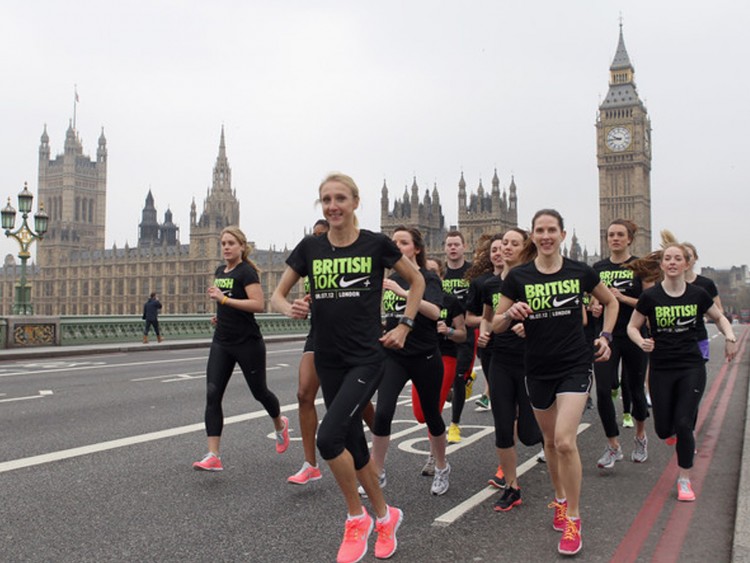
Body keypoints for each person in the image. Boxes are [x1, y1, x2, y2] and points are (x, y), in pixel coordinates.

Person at [271, 173, 424, 563]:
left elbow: (417, 280)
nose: (332, 206)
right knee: (354, 445)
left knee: (329, 439)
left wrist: (405, 325)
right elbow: (276, 295)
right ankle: (387, 516)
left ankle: (357, 518)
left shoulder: (376, 244)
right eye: (325, 199)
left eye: (340, 198)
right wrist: (292, 308)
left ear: (355, 202)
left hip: (366, 357)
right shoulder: (310, 247)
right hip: (328, 356)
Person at [493, 209, 618, 556]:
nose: (546, 236)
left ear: (563, 235)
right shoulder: (518, 277)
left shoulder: (580, 271)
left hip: (575, 364)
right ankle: (560, 500)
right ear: (533, 236)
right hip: (536, 368)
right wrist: (510, 314)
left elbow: (610, 302)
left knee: (565, 441)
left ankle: (574, 519)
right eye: (540, 230)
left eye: (552, 230)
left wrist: (606, 336)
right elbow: (496, 326)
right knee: (548, 442)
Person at [627, 243, 737, 502]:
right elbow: (633, 326)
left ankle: (684, 479)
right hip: (661, 367)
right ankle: (674, 434)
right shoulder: (650, 297)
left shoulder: (698, 294)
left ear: (686, 264)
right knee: (664, 429)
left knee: (685, 423)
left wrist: (730, 336)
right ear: (662, 265)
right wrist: (640, 341)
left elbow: (719, 317)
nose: (673, 262)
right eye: (668, 259)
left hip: (691, 366)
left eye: (678, 259)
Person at [192, 226, 289, 472]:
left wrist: (224, 301)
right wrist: (221, 315)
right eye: (223, 243)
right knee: (213, 394)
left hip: (247, 342)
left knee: (260, 393)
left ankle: (279, 423)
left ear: (242, 247)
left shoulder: (247, 272)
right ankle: (213, 454)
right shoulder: (219, 270)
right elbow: (229, 304)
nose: (225, 247)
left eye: (231, 243)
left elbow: (258, 304)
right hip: (222, 341)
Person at [371, 226, 450, 496]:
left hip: (424, 354)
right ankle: (376, 472)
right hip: (394, 355)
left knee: (431, 415)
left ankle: (441, 466)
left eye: (403, 242)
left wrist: (406, 294)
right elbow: (386, 316)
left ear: (416, 248)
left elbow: (435, 312)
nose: (396, 246)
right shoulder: (391, 277)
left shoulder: (428, 278)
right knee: (382, 413)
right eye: (393, 242)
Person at [481, 229, 542, 511]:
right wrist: (500, 322)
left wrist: (530, 327)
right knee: (503, 427)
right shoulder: (492, 285)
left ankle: (550, 443)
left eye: (513, 243)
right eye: (504, 243)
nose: (506, 247)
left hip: (531, 362)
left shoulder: (535, 280)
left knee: (530, 434)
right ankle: (512, 486)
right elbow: (489, 320)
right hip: (500, 360)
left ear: (525, 248)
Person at [590, 219, 649, 470]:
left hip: (634, 334)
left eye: (619, 235)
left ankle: (640, 436)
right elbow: (591, 300)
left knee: (634, 389)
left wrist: (622, 297)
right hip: (607, 336)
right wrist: (593, 306)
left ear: (629, 239)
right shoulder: (596, 268)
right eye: (611, 234)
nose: (614, 238)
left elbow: (649, 303)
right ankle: (613, 445)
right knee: (603, 390)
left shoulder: (640, 267)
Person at [413, 258, 466, 477]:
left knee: (432, 407)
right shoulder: (413, 299)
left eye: (433, 272)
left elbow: (463, 334)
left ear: (440, 277)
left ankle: (435, 457)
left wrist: (449, 332)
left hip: (445, 357)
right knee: (420, 414)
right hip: (420, 356)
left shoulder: (451, 302)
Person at [287, 218, 329, 485]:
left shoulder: (350, 255)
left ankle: (380, 444)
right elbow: (280, 294)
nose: (316, 239)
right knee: (304, 394)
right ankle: (310, 464)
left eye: (321, 235)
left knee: (357, 407)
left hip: (347, 337)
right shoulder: (311, 262)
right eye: (313, 235)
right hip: (318, 334)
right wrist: (301, 305)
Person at [442, 230, 476, 444]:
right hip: (441, 334)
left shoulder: (473, 273)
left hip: (464, 333)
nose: (453, 248)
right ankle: (464, 381)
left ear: (464, 246)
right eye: (449, 245)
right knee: (443, 384)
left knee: (458, 378)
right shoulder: (440, 274)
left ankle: (454, 425)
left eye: (456, 244)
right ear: (444, 248)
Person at [464, 233, 499, 411]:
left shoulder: (524, 279)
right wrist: (491, 323)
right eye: (494, 250)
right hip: (491, 345)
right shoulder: (481, 284)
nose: (499, 253)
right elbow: (469, 318)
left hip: (519, 347)